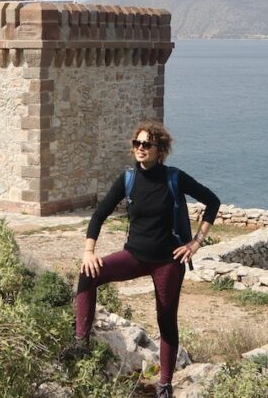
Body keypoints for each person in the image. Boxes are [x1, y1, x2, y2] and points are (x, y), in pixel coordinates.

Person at [66, 121, 221, 398]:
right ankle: (80, 342)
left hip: (168, 262)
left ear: (159, 149)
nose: (140, 148)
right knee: (88, 273)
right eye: (136, 143)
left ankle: (164, 384)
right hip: (134, 256)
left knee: (166, 319)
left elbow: (212, 201)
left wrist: (196, 243)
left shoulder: (174, 177)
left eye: (146, 144)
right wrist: (89, 251)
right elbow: (99, 214)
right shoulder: (128, 179)